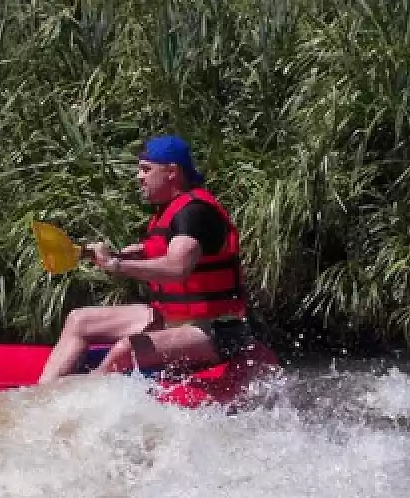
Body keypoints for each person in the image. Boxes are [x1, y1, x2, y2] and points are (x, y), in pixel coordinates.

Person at [39, 134, 253, 382]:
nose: (139, 177)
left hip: (218, 329)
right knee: (79, 321)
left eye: (146, 170)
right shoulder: (169, 212)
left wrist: (116, 264)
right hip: (173, 318)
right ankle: (42, 394)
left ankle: (75, 403)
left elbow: (178, 267)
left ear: (172, 172)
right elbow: (168, 252)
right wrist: (125, 254)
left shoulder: (196, 212)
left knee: (125, 349)